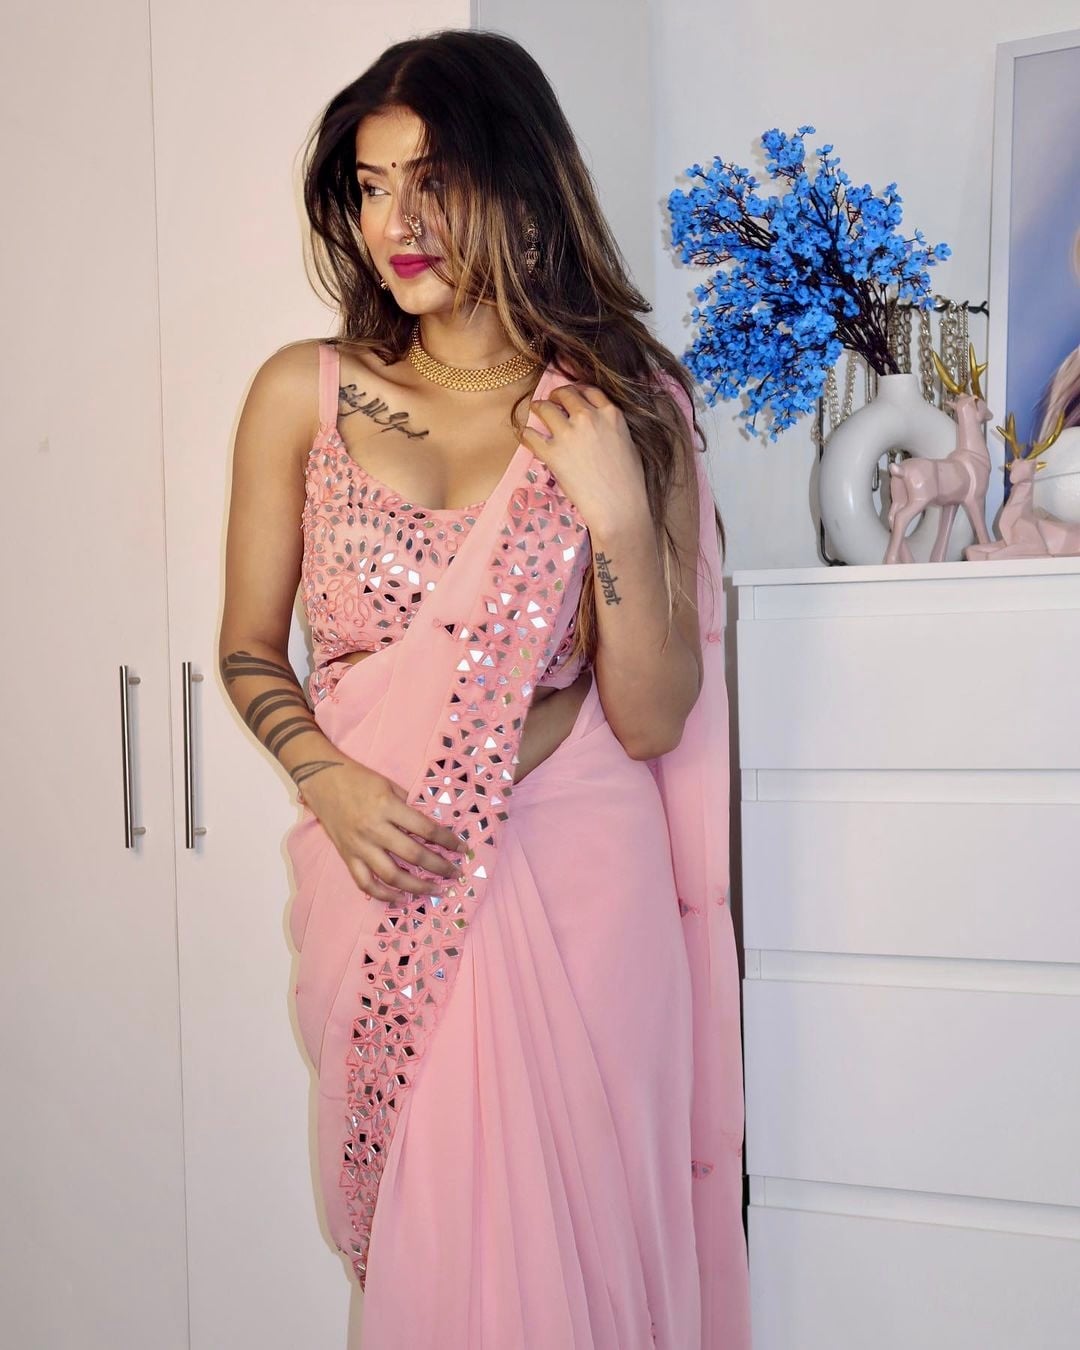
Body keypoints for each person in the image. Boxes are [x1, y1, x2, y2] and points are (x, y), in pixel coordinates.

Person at [218, 28, 750, 1350]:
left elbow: (652, 718)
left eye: (433, 180)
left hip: (580, 887)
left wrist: (617, 514)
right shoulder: (307, 395)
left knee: (589, 1251)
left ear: (519, 181)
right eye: (371, 185)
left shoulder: (623, 403)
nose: (396, 222)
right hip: (392, 871)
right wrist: (329, 781)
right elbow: (248, 648)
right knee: (438, 1264)